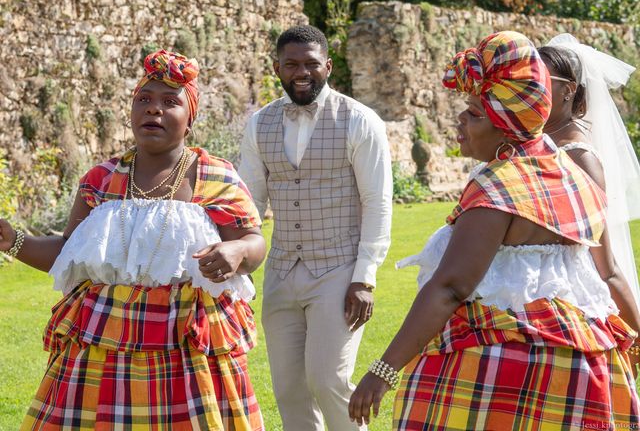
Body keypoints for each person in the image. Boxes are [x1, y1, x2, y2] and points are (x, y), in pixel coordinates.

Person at [349, 31, 640, 429]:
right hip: (580, 363)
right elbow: (607, 273)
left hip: (503, 365)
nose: (460, 120)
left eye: (474, 113)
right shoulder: (570, 175)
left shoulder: (499, 186)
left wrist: (383, 371)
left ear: (504, 124)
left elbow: (451, 286)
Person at [2, 50, 267, 430]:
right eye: (144, 100)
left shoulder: (214, 176)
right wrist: (14, 241)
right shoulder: (102, 179)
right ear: (131, 112)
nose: (153, 110)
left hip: (187, 340)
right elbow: (67, 252)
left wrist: (237, 250)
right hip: (105, 339)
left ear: (189, 119)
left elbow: (254, 242)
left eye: (169, 102)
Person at [238, 24, 392, 430]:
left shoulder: (361, 121)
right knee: (289, 390)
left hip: (339, 272)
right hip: (282, 270)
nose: (301, 72)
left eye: (311, 64)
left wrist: (365, 278)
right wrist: (241, 264)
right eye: (291, 65)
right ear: (277, 68)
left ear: (328, 66)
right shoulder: (259, 124)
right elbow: (249, 203)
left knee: (328, 380)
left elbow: (377, 204)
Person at [538, 36, 640, 366]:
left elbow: (605, 262)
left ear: (568, 90)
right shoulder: (538, 141)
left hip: (572, 303)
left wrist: (635, 337)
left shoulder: (580, 158)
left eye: (541, 80)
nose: (531, 88)